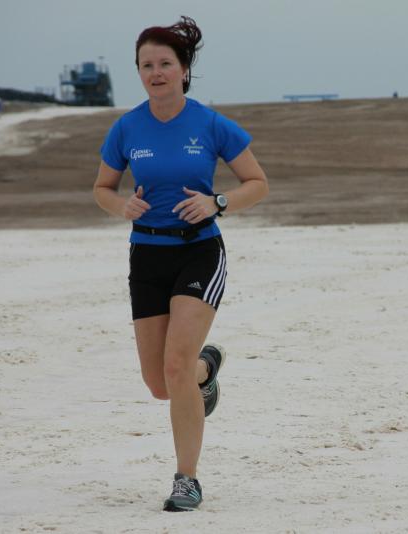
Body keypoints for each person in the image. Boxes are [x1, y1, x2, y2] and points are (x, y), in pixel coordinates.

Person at [93, 16, 268, 512]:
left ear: (184, 69)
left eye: (165, 64)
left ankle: (186, 479)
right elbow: (102, 188)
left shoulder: (210, 124)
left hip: (199, 250)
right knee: (160, 384)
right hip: (147, 253)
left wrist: (218, 202)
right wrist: (120, 206)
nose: (156, 73)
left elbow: (257, 183)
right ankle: (204, 369)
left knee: (175, 366)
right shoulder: (127, 127)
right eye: (146, 65)